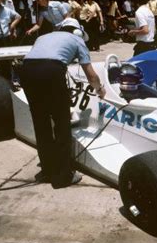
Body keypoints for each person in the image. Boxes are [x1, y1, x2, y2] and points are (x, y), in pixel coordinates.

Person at [21, 18, 106, 188]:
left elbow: (39, 58)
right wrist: (99, 89)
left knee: (41, 123)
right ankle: (62, 177)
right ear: (78, 31)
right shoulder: (77, 39)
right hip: (51, 71)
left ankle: (47, 170)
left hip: (27, 70)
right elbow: (90, 75)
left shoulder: (44, 36)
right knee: (61, 125)